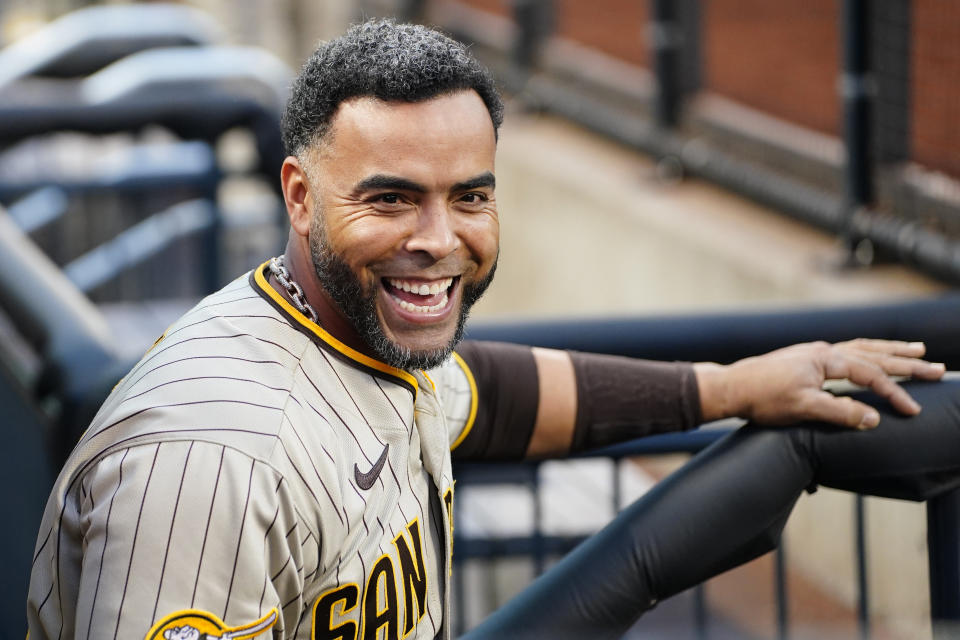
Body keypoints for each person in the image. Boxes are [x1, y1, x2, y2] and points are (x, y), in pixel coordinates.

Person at [26, 19, 960, 640]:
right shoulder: (209, 463)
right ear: (300, 196)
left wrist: (730, 387)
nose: (439, 241)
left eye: (469, 196)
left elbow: (501, 396)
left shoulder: (359, 340)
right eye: (390, 199)